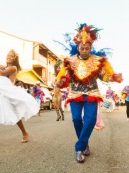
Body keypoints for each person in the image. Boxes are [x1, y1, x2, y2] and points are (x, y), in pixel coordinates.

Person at [56, 23, 123, 163]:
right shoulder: (70, 61)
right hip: (75, 93)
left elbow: (104, 76)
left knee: (91, 119)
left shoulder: (97, 61)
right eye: (82, 48)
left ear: (91, 48)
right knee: (75, 119)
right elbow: (65, 78)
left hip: (92, 93)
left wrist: (114, 77)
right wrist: (61, 82)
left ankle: (79, 148)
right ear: (78, 47)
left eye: (87, 48)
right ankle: (84, 143)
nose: (84, 50)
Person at [0, 47, 39, 145]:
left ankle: (25, 133)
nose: (9, 57)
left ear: (14, 59)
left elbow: (1, 73)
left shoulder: (13, 68)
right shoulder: (6, 66)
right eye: (8, 55)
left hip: (10, 94)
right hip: (2, 94)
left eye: (11, 56)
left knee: (15, 114)